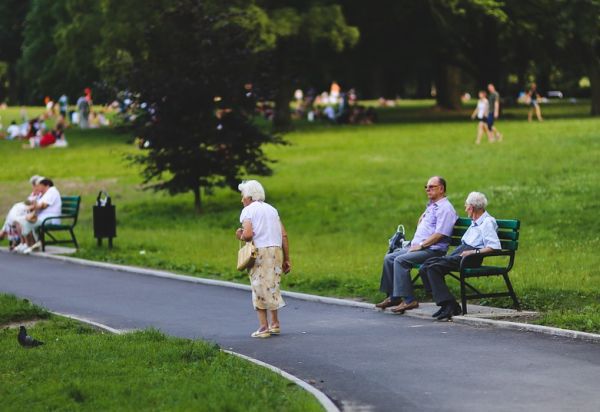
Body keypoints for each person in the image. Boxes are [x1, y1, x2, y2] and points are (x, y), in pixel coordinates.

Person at [376, 176, 458, 313]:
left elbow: (440, 234)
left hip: (433, 250)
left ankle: (409, 300)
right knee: (389, 257)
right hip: (420, 247)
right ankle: (394, 296)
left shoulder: (446, 208)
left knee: (400, 260)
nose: (427, 189)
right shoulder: (432, 206)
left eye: (431, 187)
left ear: (441, 189)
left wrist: (421, 245)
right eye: (426, 187)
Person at [419, 192, 501, 321]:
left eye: (466, 206)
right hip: (462, 252)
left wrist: (473, 252)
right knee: (426, 266)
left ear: (472, 208)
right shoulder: (475, 221)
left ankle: (450, 305)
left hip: (471, 257)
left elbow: (494, 246)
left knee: (433, 268)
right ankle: (445, 303)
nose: (465, 208)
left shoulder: (487, 222)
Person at [236, 180, 291, 338]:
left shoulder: (248, 211)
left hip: (260, 253)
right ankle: (275, 324)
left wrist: (239, 234)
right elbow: (284, 235)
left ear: (249, 196)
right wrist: (287, 259)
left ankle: (263, 327)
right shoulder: (272, 210)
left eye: (242, 196)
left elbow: (247, 235)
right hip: (276, 251)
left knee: (258, 287)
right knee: (272, 286)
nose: (241, 200)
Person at [14, 178, 62, 254]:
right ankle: (30, 244)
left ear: (46, 185)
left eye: (40, 186)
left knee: (25, 221)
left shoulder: (52, 191)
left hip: (50, 218)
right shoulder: (44, 194)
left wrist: (32, 206)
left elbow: (43, 205)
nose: (39, 188)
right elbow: (35, 204)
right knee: (18, 220)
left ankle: (31, 244)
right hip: (42, 217)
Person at [1, 175, 43, 250]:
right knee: (13, 214)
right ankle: (12, 238)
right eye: (33, 185)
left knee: (14, 216)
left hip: (33, 213)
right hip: (27, 211)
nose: (34, 187)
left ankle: (8, 236)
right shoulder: (35, 193)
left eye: (35, 185)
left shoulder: (42, 194)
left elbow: (36, 205)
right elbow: (28, 202)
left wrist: (30, 204)